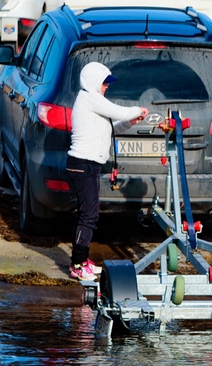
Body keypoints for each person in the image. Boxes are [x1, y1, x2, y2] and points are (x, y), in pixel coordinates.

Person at [65, 62, 148, 281]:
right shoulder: (89, 97)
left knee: (87, 214)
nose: (107, 87)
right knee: (89, 215)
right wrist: (137, 110)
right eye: (104, 82)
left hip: (87, 166)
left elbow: (114, 126)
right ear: (94, 82)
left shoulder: (92, 102)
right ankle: (78, 265)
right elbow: (118, 111)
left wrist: (131, 121)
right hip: (82, 164)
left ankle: (82, 261)